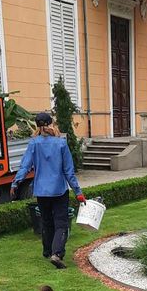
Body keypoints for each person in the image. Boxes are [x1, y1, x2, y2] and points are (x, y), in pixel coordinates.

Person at [10, 112, 87, 269]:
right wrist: (78, 192)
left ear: (38, 126)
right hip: (59, 190)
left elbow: (25, 166)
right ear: (51, 124)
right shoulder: (61, 144)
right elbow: (69, 172)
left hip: (41, 191)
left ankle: (47, 251)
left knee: (46, 222)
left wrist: (15, 182)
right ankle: (57, 254)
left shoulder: (33, 143)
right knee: (61, 224)